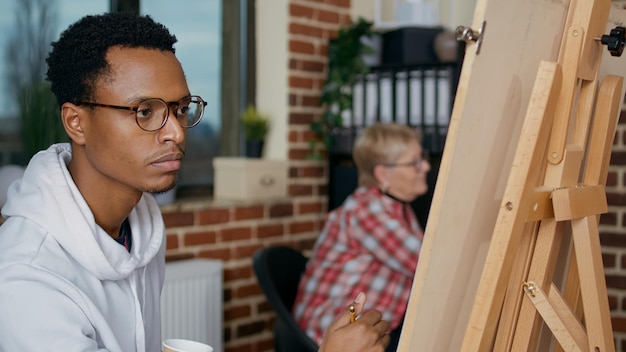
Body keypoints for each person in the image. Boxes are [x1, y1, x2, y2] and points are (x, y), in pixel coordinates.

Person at [0, 12, 389, 352]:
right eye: (144, 111)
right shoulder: (28, 282)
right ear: (76, 122)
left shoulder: (141, 226)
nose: (177, 132)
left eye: (181, 108)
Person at [293, 122, 430, 352]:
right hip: (333, 334)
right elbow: (430, 265)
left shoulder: (399, 208)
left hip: (375, 328)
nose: (425, 166)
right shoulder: (367, 210)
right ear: (383, 173)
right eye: (415, 162)